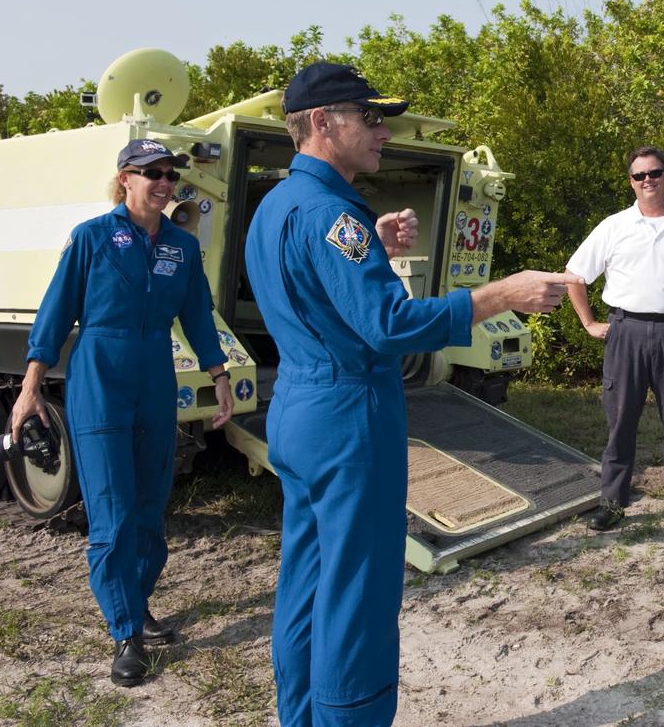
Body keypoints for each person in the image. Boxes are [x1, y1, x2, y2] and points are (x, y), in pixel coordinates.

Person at [245, 62, 577, 726]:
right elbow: (387, 327)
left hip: (299, 409)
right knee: (359, 592)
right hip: (347, 416)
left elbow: (320, 294)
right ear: (320, 123)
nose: (383, 129)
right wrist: (500, 295)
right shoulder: (330, 212)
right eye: (367, 116)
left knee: (309, 581)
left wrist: (373, 243)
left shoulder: (280, 204)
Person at [10, 138, 235, 686]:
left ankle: (136, 602)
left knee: (150, 507)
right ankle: (125, 633)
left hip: (156, 374)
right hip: (100, 375)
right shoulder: (91, 238)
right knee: (111, 513)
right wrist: (30, 386)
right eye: (152, 173)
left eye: (170, 176)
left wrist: (220, 375)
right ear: (125, 180)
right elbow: (57, 311)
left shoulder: (182, 247)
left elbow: (199, 319)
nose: (164, 183)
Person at [565, 146, 664, 533]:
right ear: (631, 182)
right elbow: (575, 276)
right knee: (620, 422)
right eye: (639, 176)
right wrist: (588, 323)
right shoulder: (614, 226)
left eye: (654, 173)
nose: (648, 180)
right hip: (625, 332)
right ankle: (612, 503)